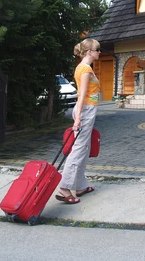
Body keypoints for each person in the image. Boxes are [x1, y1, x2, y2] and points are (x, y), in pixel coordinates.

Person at [56, 38, 101, 204]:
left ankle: (80, 186)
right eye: (97, 49)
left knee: (84, 147)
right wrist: (79, 117)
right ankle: (64, 187)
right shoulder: (85, 69)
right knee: (79, 149)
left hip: (87, 110)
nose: (99, 52)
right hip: (86, 110)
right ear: (89, 51)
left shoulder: (83, 68)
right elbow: (81, 95)